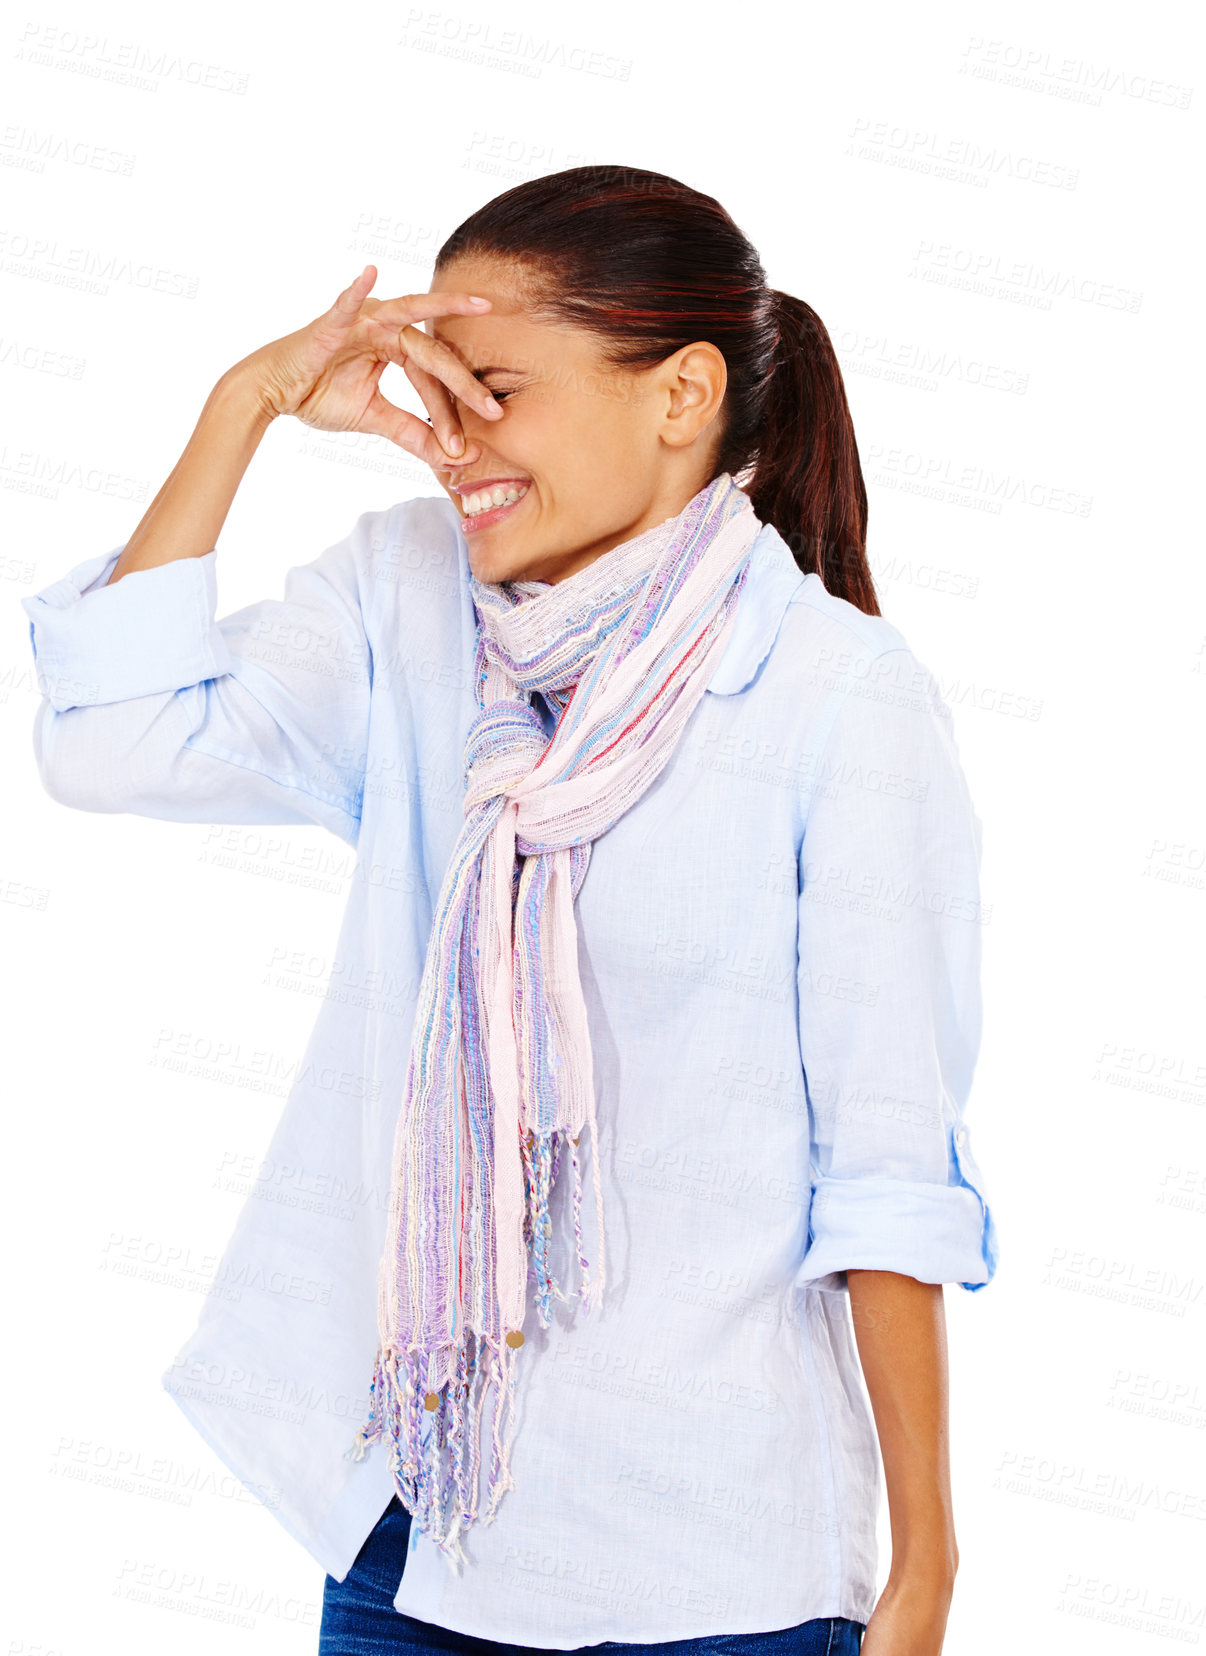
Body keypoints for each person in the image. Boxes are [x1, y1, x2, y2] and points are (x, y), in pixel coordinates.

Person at [20, 164, 999, 1656]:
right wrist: (248, 404)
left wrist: (921, 1573)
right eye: (435, 390)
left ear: (680, 397)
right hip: (425, 1537)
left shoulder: (836, 702)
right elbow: (112, 741)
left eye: (495, 390)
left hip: (712, 1565)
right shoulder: (405, 600)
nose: (452, 443)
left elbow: (883, 1166)